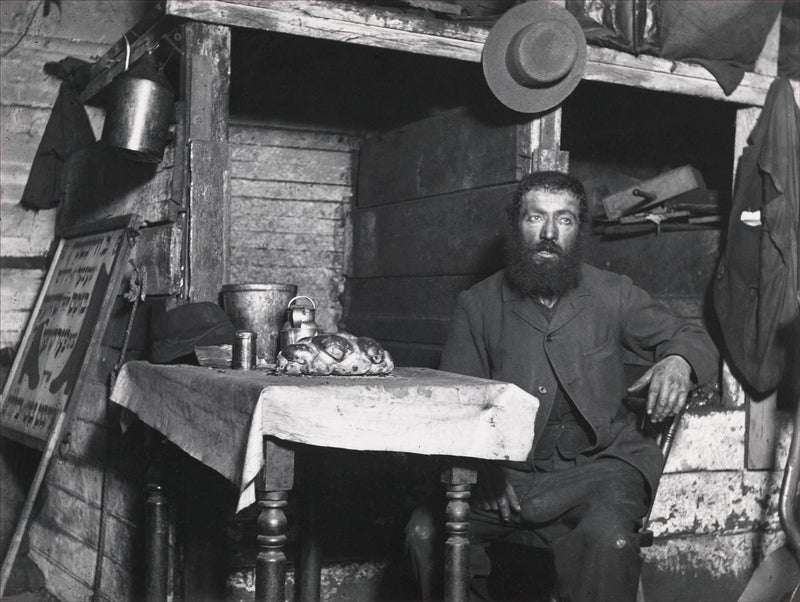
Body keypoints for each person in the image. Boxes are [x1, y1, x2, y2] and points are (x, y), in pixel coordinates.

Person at [404, 171, 718, 602]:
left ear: (578, 230)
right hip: (507, 475)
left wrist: (678, 362)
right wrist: (487, 472)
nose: (549, 233)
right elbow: (457, 405)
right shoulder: (477, 305)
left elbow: (693, 338)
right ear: (517, 224)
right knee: (424, 532)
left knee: (609, 541)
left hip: (601, 469)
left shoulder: (613, 293)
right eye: (536, 217)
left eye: (564, 220)